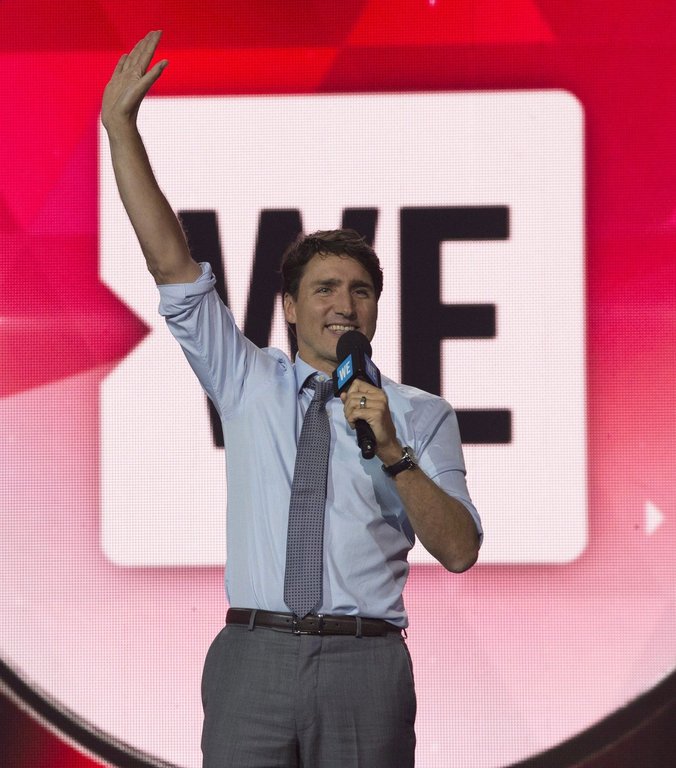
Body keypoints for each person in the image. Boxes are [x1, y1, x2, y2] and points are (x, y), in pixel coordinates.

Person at [102, 30, 482, 768]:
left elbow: (461, 550)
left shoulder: (421, 414)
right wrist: (122, 131)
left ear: (378, 308)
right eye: (326, 288)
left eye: (362, 290)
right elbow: (170, 260)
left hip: (365, 664)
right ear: (289, 306)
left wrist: (396, 456)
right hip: (254, 655)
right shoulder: (246, 379)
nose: (345, 303)